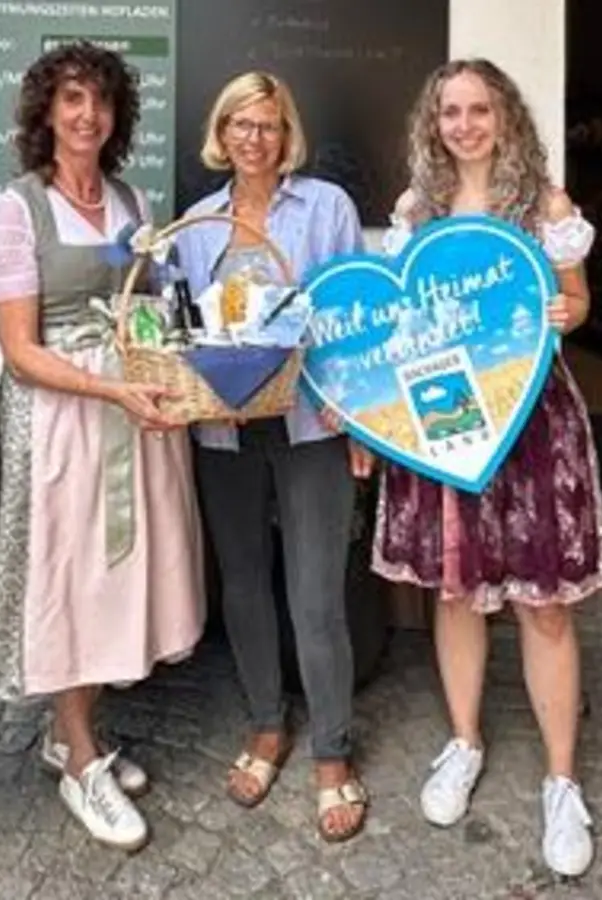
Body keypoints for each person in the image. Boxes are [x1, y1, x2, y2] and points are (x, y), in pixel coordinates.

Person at [367, 59, 602, 878]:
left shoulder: (545, 205)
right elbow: (397, 323)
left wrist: (561, 310)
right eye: (450, 112)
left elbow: (575, 303)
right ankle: (465, 741)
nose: (465, 124)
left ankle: (561, 781)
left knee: (543, 604)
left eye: (479, 109)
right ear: (433, 123)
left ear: (504, 116)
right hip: (445, 422)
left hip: (531, 415)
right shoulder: (417, 210)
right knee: (457, 589)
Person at [0, 41, 204, 851]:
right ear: (46, 111)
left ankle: (72, 735)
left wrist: (164, 371)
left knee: (113, 576)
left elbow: (146, 309)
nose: (87, 115)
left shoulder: (128, 200)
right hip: (63, 423)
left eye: (101, 102)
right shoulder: (20, 208)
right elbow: (20, 350)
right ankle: (79, 758)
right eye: (72, 99)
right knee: (71, 578)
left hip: (131, 410)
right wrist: (109, 387)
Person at [174, 72, 369, 843]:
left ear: (288, 134)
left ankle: (333, 753)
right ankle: (265, 726)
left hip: (313, 424)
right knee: (246, 584)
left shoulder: (328, 208)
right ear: (220, 135)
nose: (255, 139)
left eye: (269, 125)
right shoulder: (192, 225)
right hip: (223, 430)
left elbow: (356, 320)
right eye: (240, 125)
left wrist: (359, 427)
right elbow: (181, 325)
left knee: (317, 595)